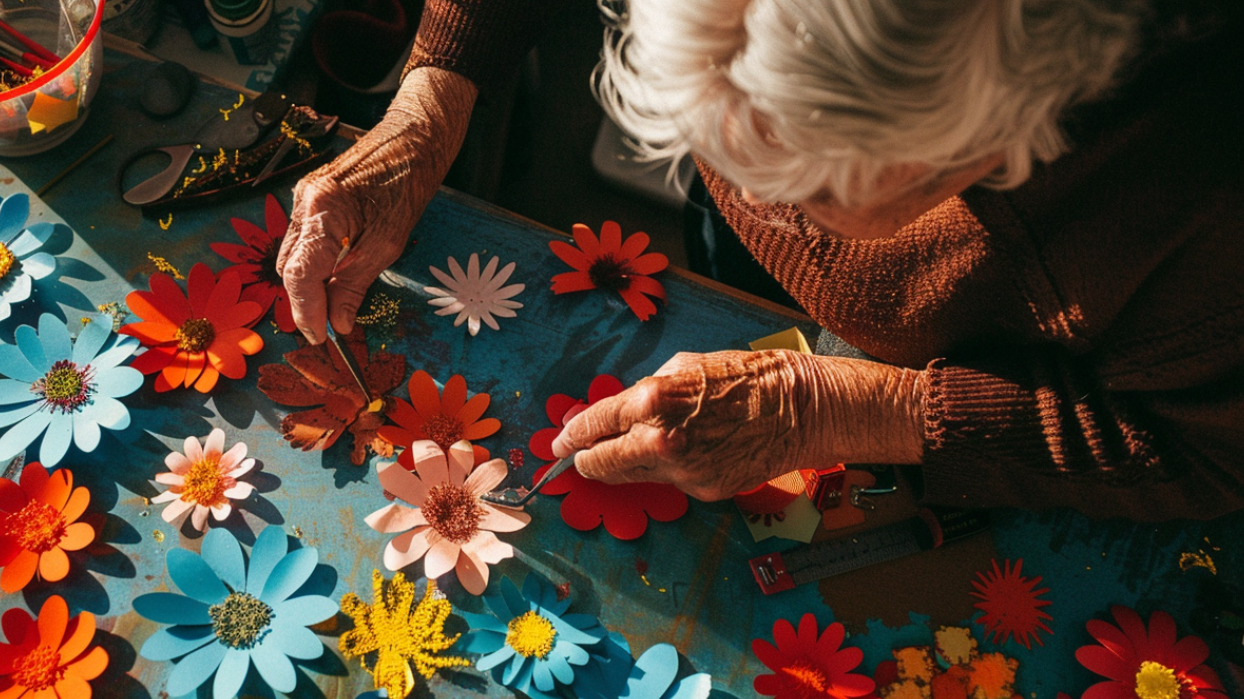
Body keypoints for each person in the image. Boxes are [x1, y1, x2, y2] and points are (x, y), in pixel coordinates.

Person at [278, 0, 1244, 521]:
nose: (746, 192)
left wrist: (844, 405)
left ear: (995, 148)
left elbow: (1207, 452)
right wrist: (436, 93)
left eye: (804, 186)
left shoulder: (1195, 195)